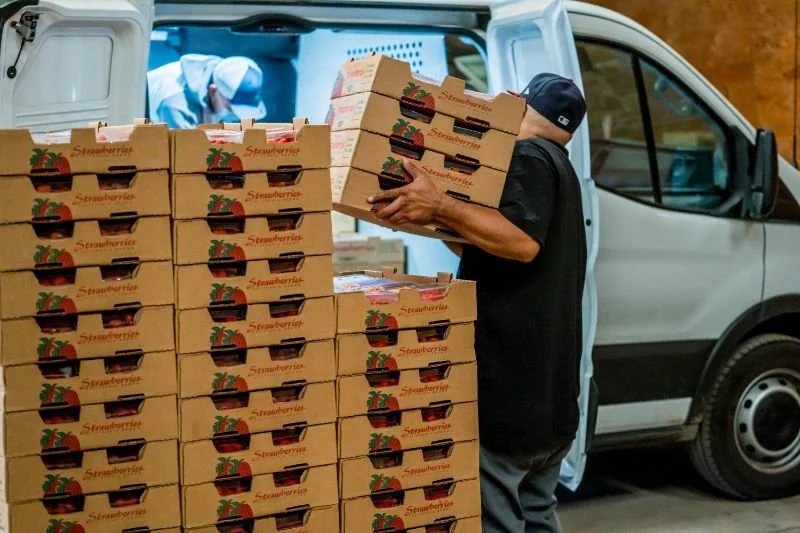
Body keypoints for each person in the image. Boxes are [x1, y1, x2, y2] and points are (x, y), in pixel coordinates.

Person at [368, 73, 588, 533]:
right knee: (538, 516)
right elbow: (496, 248)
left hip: (509, 396)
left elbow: (522, 243)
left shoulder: (528, 157)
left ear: (523, 110)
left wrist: (443, 206)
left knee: (499, 522)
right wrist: (424, 216)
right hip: (550, 404)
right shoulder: (561, 169)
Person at [147, 54, 267, 128]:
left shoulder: (224, 72)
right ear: (213, 91)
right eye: (230, 107)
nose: (234, 114)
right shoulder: (176, 105)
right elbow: (185, 156)